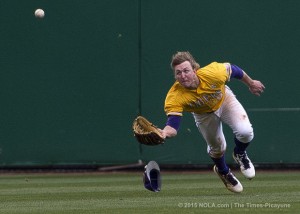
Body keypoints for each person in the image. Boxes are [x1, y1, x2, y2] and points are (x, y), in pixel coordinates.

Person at [160, 51, 265, 193]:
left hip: (224, 100)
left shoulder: (213, 73)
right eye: (178, 73)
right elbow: (173, 125)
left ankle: (239, 153)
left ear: (195, 70)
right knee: (217, 147)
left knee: (245, 132)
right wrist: (163, 133)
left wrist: (251, 83)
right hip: (203, 115)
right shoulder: (175, 96)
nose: (183, 76)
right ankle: (223, 171)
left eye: (186, 70)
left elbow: (235, 70)